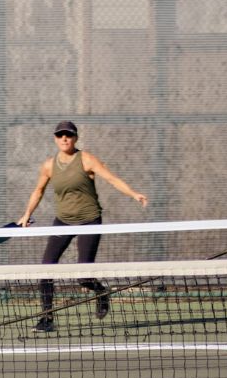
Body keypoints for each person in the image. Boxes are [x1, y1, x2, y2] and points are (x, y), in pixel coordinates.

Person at [18, 121, 148, 333]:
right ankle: (46, 319)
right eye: (60, 135)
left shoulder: (86, 159)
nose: (64, 139)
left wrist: (133, 194)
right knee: (46, 268)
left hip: (89, 220)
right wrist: (26, 214)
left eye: (68, 135)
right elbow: (38, 190)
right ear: (55, 138)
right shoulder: (49, 165)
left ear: (75, 138)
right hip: (63, 221)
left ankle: (101, 293)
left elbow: (112, 179)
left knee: (83, 276)